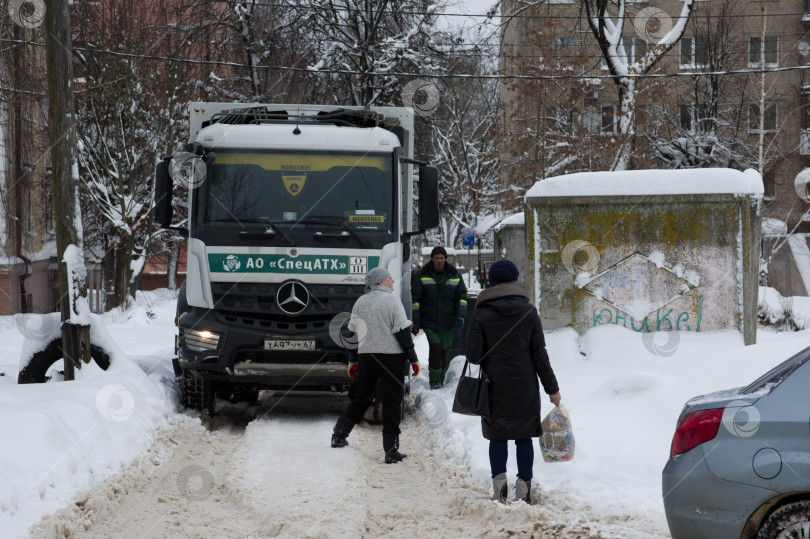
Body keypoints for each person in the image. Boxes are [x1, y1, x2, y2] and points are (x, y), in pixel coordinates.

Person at [465, 259, 561, 505]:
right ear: (516, 281)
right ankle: (524, 491)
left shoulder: (482, 312)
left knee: (497, 437)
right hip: (524, 386)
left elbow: (474, 355)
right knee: (523, 437)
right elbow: (540, 354)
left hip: (493, 386)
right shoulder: (528, 311)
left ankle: (499, 492)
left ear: (492, 281)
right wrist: (552, 389)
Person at [331, 267, 420, 464]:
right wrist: (413, 358)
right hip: (391, 358)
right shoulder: (391, 301)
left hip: (367, 357)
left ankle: (339, 434)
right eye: (390, 279)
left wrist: (353, 360)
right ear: (380, 282)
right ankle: (390, 450)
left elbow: (354, 335)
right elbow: (402, 333)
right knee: (391, 402)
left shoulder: (360, 302)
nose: (392, 282)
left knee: (362, 397)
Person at [411, 246, 467, 389]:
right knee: (435, 349)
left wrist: (460, 315)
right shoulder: (422, 275)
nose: (439, 261)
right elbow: (416, 301)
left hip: (447, 321)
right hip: (429, 321)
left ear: (446, 259)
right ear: (432, 259)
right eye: (437, 258)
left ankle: (442, 378)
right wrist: (416, 321)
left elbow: (461, 297)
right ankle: (435, 381)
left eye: (442, 258)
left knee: (444, 351)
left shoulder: (455, 275)